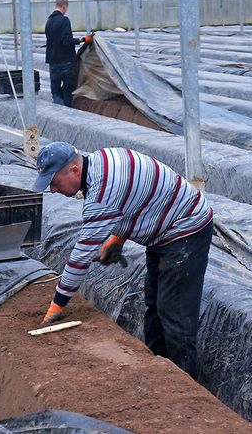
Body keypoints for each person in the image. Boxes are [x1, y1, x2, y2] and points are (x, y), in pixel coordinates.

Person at [32, 142, 214, 379]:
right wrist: (117, 240)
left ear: (74, 171)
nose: (53, 190)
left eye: (54, 182)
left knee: (175, 314)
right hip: (164, 227)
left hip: (185, 230)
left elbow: (80, 257)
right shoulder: (100, 160)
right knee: (155, 304)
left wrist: (56, 308)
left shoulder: (101, 193)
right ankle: (159, 371)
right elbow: (134, 199)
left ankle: (187, 386)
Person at [44, 0, 92, 107]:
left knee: (55, 92)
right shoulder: (64, 20)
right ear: (64, 6)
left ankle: (58, 115)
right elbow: (66, 41)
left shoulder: (49, 21)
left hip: (53, 62)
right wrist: (83, 40)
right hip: (65, 62)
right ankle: (68, 112)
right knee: (67, 91)